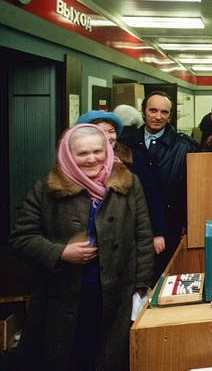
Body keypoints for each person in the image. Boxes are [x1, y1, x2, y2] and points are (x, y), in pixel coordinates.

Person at [9, 124, 154, 370]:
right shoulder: (45, 190)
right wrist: (61, 253)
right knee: (72, 356)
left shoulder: (129, 184)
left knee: (109, 356)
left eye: (97, 151)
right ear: (68, 154)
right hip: (64, 293)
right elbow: (20, 239)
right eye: (82, 153)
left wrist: (141, 285)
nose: (91, 159)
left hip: (116, 293)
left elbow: (142, 235)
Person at [118, 90, 200, 278]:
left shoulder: (187, 146)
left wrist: (188, 221)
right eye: (153, 110)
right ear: (143, 111)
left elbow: (192, 189)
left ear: (170, 116)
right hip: (129, 221)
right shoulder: (124, 146)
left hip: (171, 223)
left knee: (165, 275)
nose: (158, 116)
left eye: (164, 112)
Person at [75, 110, 167, 256]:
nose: (108, 136)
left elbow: (150, 195)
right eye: (101, 131)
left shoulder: (132, 157)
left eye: (111, 131)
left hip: (125, 241)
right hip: (86, 245)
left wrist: (157, 232)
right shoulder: (73, 165)